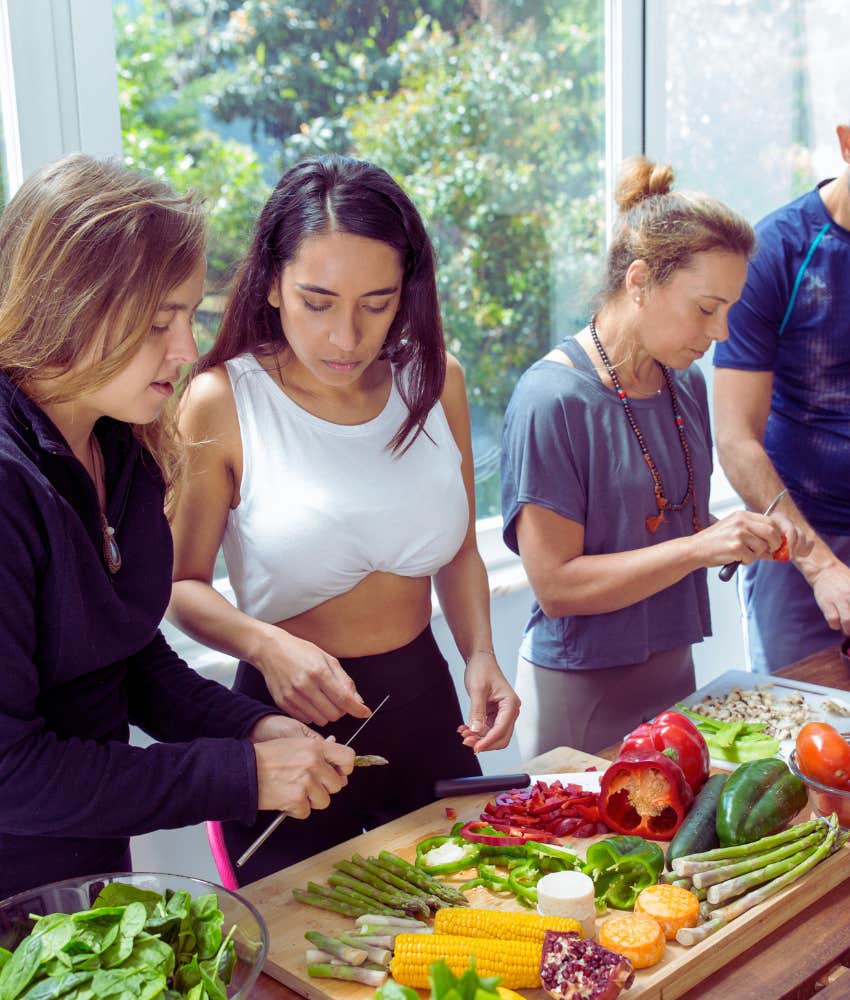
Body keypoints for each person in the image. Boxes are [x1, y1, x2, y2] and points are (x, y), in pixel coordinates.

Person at [0, 154, 355, 901]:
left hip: (84, 870)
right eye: (159, 322)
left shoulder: (114, 438)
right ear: (68, 303)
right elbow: (12, 772)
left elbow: (129, 661)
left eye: (188, 315)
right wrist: (239, 776)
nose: (187, 350)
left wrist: (249, 730)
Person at [167, 153, 520, 884]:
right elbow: (178, 586)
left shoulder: (434, 379)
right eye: (318, 301)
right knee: (306, 964)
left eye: (377, 303)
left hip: (426, 703)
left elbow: (455, 551)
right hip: (284, 723)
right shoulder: (220, 400)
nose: (346, 339)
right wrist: (266, 647)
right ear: (270, 283)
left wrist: (480, 652)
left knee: (468, 922)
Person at [500, 156, 807, 759]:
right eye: (705, 307)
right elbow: (557, 585)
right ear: (639, 281)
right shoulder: (552, 399)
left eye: (729, 311)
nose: (720, 333)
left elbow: (666, 524)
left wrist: (732, 536)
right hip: (579, 689)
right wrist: (700, 547)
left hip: (674, 675)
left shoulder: (682, 383)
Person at [713, 123, 850, 673]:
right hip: (797, 545)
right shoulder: (778, 252)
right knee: (802, 736)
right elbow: (734, 436)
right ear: (846, 142)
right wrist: (819, 565)